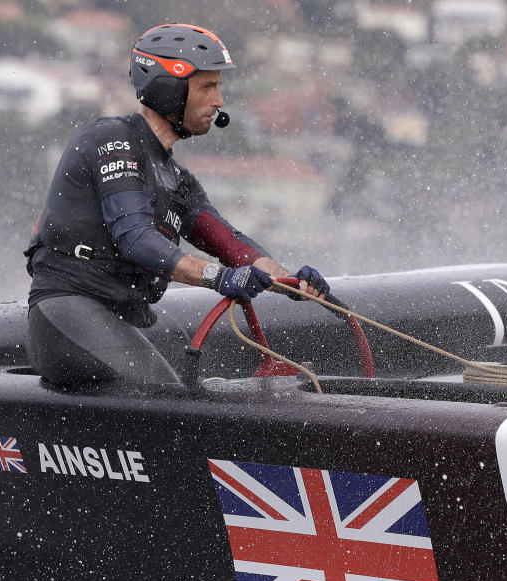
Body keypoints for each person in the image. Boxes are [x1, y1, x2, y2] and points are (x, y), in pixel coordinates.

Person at [24, 23, 330, 386]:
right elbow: (135, 237)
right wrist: (219, 278)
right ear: (168, 88)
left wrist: (290, 282)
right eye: (207, 87)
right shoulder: (113, 139)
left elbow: (232, 245)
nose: (219, 101)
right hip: (65, 309)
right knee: (171, 407)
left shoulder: (178, 180)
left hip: (110, 316)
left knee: (184, 396)